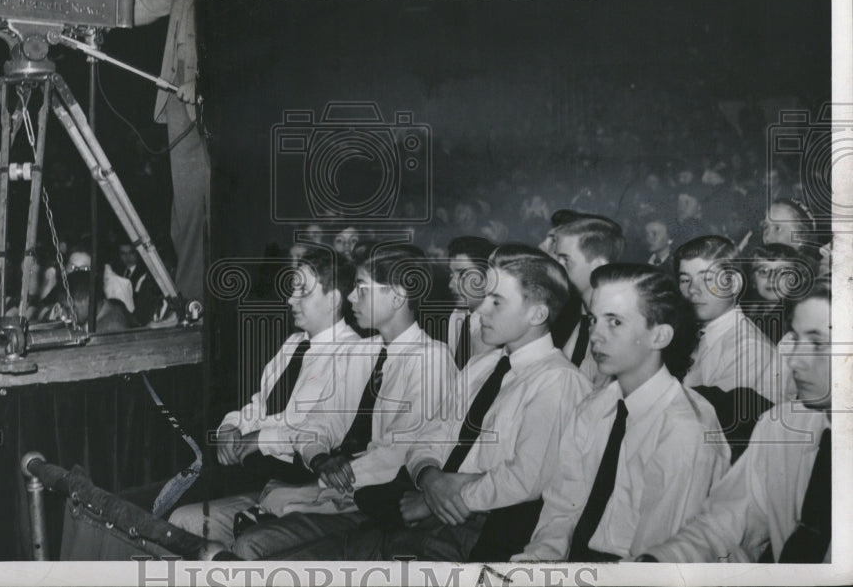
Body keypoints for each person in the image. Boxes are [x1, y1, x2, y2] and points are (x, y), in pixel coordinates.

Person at [266, 245, 592, 561]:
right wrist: (429, 478)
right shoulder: (483, 367)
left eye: (497, 302)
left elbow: (525, 479)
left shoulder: (559, 380)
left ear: (538, 313)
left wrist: (441, 496)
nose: (481, 310)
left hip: (473, 527)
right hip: (421, 506)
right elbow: (431, 436)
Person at [203, 243, 457, 559]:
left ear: (397, 296)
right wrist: (320, 457)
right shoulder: (363, 352)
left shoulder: (431, 359)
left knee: (252, 542)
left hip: (378, 503)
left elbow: (401, 452)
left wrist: (324, 483)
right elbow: (323, 420)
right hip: (342, 489)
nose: (351, 298)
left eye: (362, 290)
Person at [514, 264, 730, 562]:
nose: (596, 336)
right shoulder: (594, 407)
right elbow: (562, 509)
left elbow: (657, 556)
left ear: (660, 336)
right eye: (593, 320)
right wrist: (539, 560)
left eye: (614, 322)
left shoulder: (683, 429)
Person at [164, 248, 372, 519]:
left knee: (177, 512)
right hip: (252, 468)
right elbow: (259, 406)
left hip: (295, 477)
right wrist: (230, 427)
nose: (290, 300)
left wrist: (261, 440)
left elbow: (324, 428)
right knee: (166, 494)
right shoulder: (293, 344)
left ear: (333, 300)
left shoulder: (353, 353)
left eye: (302, 292)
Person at [641, 278, 832, 562]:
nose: (794, 360)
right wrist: (659, 560)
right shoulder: (780, 426)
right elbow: (724, 522)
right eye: (794, 338)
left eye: (817, 343)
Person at [134, 0, 209, 304]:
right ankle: (191, 299)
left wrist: (205, 79)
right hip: (179, 96)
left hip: (211, 98)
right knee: (186, 211)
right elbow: (154, 3)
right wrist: (96, 10)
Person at [675, 236, 777, 401]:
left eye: (707, 279)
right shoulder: (691, 335)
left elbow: (712, 418)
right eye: (685, 280)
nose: (693, 289)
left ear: (734, 284)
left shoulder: (749, 350)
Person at [552, 215, 624, 385]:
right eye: (557, 258)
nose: (556, 268)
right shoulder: (562, 314)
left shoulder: (619, 329)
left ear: (598, 266)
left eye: (566, 260)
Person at [446, 236, 497, 369]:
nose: (451, 284)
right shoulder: (457, 315)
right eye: (451, 274)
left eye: (463, 274)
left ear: (488, 277)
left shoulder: (497, 324)